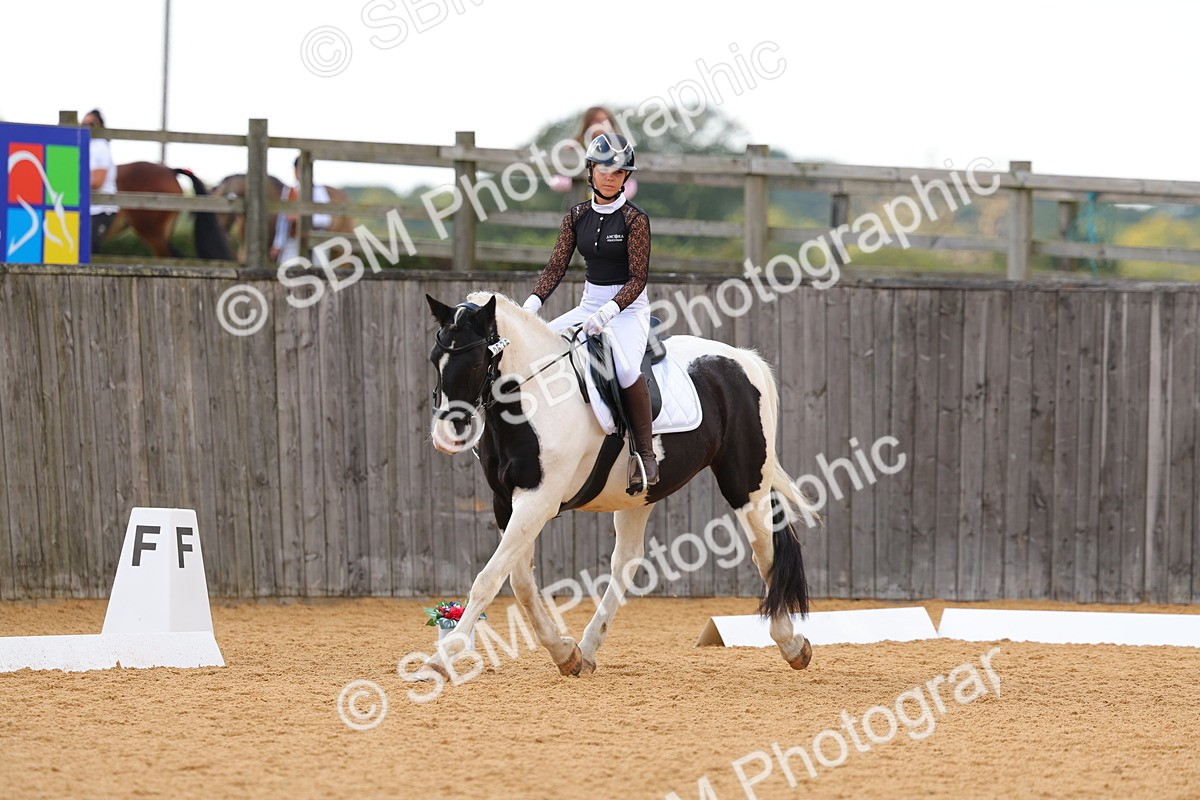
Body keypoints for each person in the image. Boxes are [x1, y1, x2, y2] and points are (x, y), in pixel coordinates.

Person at [523, 132, 657, 489]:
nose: (610, 177)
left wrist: (611, 311)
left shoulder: (634, 220)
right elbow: (555, 268)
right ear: (591, 171)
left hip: (628, 310)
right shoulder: (577, 216)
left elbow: (638, 278)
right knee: (542, 350)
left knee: (627, 368)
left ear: (625, 177)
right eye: (604, 169)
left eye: (618, 172)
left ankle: (644, 453)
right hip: (588, 304)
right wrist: (531, 306)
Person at [547, 106, 637, 200]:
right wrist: (588, 180)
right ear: (588, 124)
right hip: (578, 204)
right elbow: (555, 181)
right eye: (597, 121)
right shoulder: (575, 148)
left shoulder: (619, 149)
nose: (602, 125)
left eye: (606, 121)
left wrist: (608, 192)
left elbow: (630, 187)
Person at [270, 155, 333, 264]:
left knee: (319, 274)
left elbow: (326, 219)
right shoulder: (289, 191)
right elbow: (282, 221)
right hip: (293, 240)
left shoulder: (318, 191)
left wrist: (301, 218)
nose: (297, 173)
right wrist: (278, 243)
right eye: (297, 170)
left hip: (316, 240)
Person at [82, 109, 118, 254]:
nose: (86, 126)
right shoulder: (88, 146)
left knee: (90, 249)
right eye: (83, 123)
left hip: (100, 209)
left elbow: (97, 182)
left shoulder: (100, 147)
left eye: (91, 123)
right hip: (89, 208)